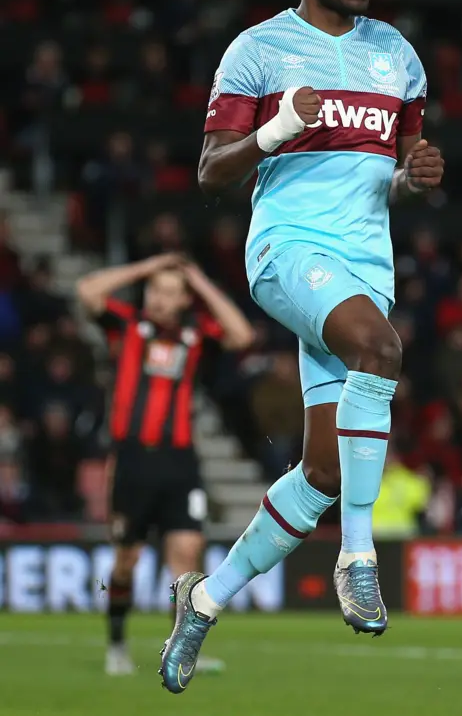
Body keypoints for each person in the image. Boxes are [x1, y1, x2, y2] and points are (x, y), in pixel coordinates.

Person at [159, 0, 444, 694]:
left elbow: (397, 167)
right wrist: (276, 130)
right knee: (381, 349)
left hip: (365, 264)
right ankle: (360, 557)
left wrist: (413, 179)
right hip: (287, 253)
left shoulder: (398, 55)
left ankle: (205, 601)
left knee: (321, 472)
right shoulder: (258, 50)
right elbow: (213, 170)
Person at [76, 253, 254, 675]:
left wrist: (198, 277)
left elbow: (241, 335)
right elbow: (87, 290)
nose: (159, 298)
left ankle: (183, 647)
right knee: (126, 560)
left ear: (183, 301)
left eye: (170, 292)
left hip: (179, 463)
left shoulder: (195, 335)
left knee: (188, 555)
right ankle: (117, 645)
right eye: (155, 290)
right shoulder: (126, 326)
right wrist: (149, 266)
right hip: (132, 462)